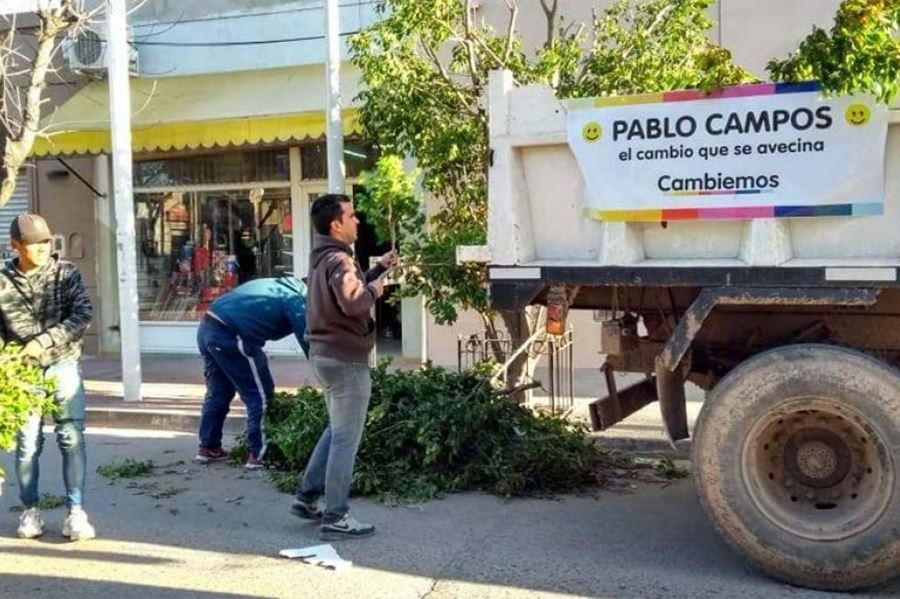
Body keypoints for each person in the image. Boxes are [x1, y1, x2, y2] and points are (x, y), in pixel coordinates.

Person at [291, 194, 396, 540]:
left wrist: (378, 268)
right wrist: (376, 289)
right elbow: (353, 301)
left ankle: (307, 497)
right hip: (346, 361)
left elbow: (345, 291)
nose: (358, 221)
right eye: (352, 215)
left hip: (324, 355)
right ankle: (336, 515)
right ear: (336, 225)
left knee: (336, 432)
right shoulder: (340, 260)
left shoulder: (324, 257)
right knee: (345, 441)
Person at [0, 214, 95, 541]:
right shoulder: (1, 280)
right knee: (27, 445)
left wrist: (43, 341)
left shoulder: (65, 273)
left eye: (45, 242)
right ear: (15, 246)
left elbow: (82, 314)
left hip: (63, 364)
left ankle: (76, 511)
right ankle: (30, 510)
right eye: (33, 244)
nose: (41, 249)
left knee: (71, 437)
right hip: (22, 373)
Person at [195, 276, 310, 469]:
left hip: (208, 328)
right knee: (260, 395)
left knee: (219, 392)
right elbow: (307, 336)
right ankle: (259, 454)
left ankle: (209, 447)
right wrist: (324, 366)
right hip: (231, 336)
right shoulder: (296, 297)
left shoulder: (278, 285)